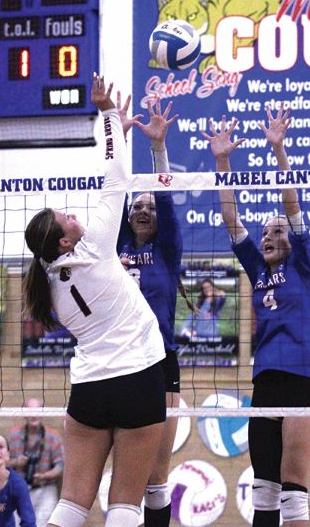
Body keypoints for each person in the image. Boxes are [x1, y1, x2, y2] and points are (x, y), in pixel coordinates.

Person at [23, 74, 166, 527]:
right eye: (65, 217)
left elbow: (109, 176)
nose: (73, 214)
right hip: (138, 378)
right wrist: (108, 116)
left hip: (88, 389)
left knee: (71, 504)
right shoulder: (96, 247)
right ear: (65, 242)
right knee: (124, 504)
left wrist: (114, 128)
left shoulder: (48, 285)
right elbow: (115, 176)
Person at [201, 108, 310, 527]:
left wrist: (278, 150)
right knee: (264, 490)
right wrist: (222, 161)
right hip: (266, 379)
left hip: (303, 378)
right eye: (265, 232)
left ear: (293, 238)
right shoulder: (258, 271)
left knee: (293, 491)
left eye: (277, 231)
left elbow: (291, 204)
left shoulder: (304, 264)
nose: (268, 236)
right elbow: (231, 220)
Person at [115, 97, 183, 526]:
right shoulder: (115, 247)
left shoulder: (167, 249)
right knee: (125, 478)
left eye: (149, 207)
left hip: (160, 361)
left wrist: (157, 147)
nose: (143, 210)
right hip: (118, 359)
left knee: (157, 479)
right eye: (137, 206)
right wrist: (118, 137)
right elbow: (113, 192)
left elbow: (166, 198)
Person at [8, 398, 64, 527]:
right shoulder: (13, 435)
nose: (34, 415)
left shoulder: (53, 436)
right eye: (30, 411)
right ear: (24, 414)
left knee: (45, 522)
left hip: (45, 488)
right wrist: (16, 462)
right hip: (19, 489)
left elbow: (60, 466)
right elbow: (3, 463)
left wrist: (45, 475)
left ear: (43, 413)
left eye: (37, 411)